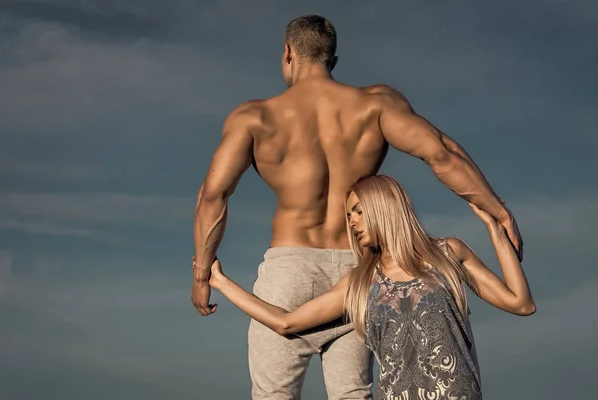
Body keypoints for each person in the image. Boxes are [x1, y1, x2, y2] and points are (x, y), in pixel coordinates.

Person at [192, 14, 523, 400]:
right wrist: (499, 212)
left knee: (273, 395)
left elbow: (213, 195)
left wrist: (203, 274)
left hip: (289, 269)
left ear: (288, 53)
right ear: (332, 59)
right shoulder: (376, 105)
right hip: (358, 269)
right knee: (352, 393)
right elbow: (442, 153)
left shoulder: (255, 117)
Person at [204, 175, 535, 399]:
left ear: (384, 208)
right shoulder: (362, 281)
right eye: (350, 216)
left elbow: (521, 303)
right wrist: (221, 282)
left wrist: (494, 230)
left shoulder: (448, 254)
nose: (353, 222)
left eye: (359, 212)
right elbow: (286, 322)